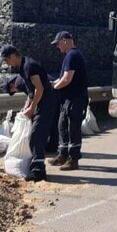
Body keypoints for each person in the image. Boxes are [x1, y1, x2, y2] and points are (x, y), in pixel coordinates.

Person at [0, 45, 59, 182]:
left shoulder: (29, 66)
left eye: (7, 60)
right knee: (35, 135)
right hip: (42, 101)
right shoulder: (22, 68)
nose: (7, 63)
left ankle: (39, 170)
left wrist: (32, 108)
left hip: (47, 101)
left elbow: (39, 88)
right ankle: (36, 167)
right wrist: (27, 106)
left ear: (13, 56)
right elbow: (30, 91)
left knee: (36, 135)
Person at [49, 31, 88, 171]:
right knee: (62, 126)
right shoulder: (71, 56)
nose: (57, 47)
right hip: (69, 99)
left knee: (73, 129)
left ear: (65, 40)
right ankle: (63, 154)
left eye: (58, 43)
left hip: (75, 99)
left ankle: (73, 159)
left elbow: (67, 79)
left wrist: (54, 88)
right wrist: (53, 84)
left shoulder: (72, 56)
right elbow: (62, 78)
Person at [4, 75, 61, 153]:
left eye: (13, 90)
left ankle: (38, 148)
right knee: (54, 121)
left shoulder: (18, 83)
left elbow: (33, 93)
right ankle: (53, 146)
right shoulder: (23, 78)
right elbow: (30, 94)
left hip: (48, 95)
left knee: (42, 123)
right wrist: (26, 106)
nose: (16, 91)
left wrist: (31, 107)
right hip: (55, 92)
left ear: (11, 84)